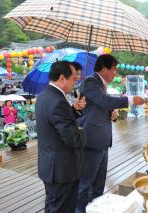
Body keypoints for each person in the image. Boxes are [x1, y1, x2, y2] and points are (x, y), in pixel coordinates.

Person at [76, 54, 146, 213]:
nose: (115, 73)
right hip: (91, 141)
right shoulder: (90, 82)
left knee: (99, 184)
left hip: (102, 141)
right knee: (85, 183)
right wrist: (129, 100)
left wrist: (111, 114)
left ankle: (95, 209)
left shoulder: (101, 85)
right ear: (103, 68)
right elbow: (104, 101)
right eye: (113, 69)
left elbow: (100, 106)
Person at [35, 61, 86, 213]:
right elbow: (71, 138)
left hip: (51, 166)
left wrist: (73, 110)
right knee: (63, 208)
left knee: (53, 206)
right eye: (73, 78)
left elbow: (57, 121)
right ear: (63, 78)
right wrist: (81, 131)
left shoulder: (44, 95)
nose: (75, 81)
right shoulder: (58, 101)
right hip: (62, 170)